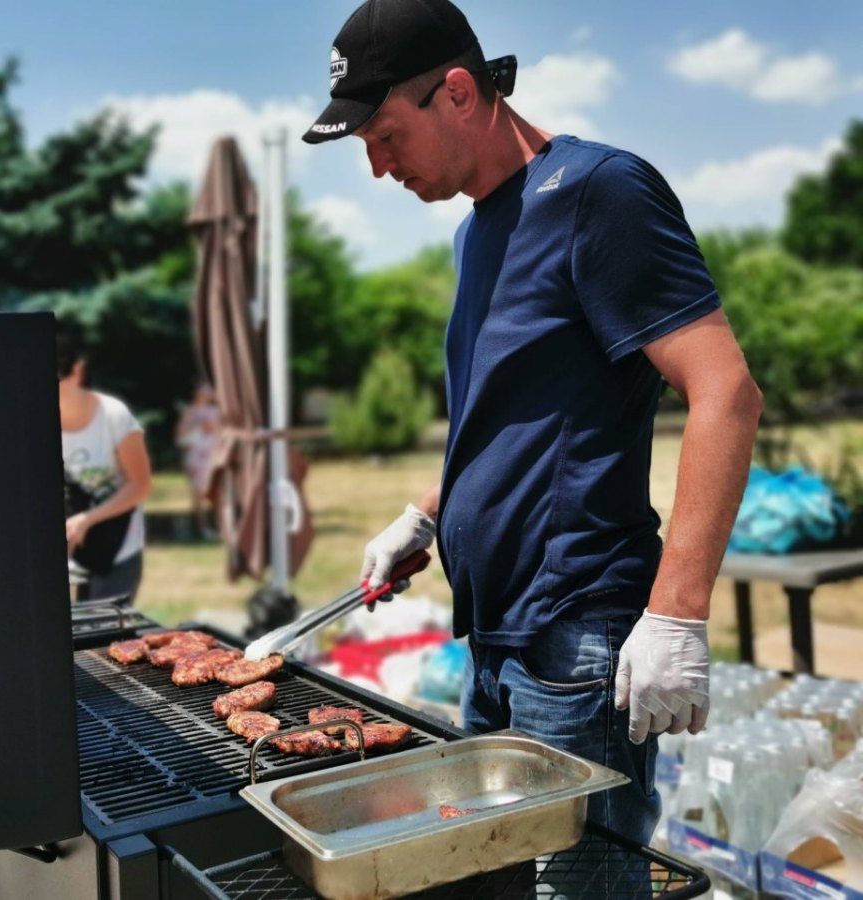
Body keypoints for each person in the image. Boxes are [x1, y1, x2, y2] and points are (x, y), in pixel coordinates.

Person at [305, 0, 763, 845]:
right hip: (493, 636)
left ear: (455, 94)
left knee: (576, 886)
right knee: (497, 875)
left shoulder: (598, 192)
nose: (377, 168)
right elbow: (504, 414)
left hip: (575, 640)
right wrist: (426, 516)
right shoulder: (477, 233)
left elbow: (726, 392)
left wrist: (677, 613)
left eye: (384, 136)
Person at [57, 330, 152, 604]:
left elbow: (140, 484)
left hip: (116, 550)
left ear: (78, 370)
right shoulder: (33, 419)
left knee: (105, 638)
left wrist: (87, 520)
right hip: (67, 554)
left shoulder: (113, 416)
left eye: (61, 377)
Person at [175, 382, 222, 540]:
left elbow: (221, 432)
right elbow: (180, 437)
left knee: (217, 491)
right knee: (199, 493)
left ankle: (219, 525)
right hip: (197, 456)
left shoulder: (216, 411)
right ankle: (202, 527)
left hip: (214, 454)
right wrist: (199, 427)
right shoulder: (190, 412)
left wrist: (214, 428)